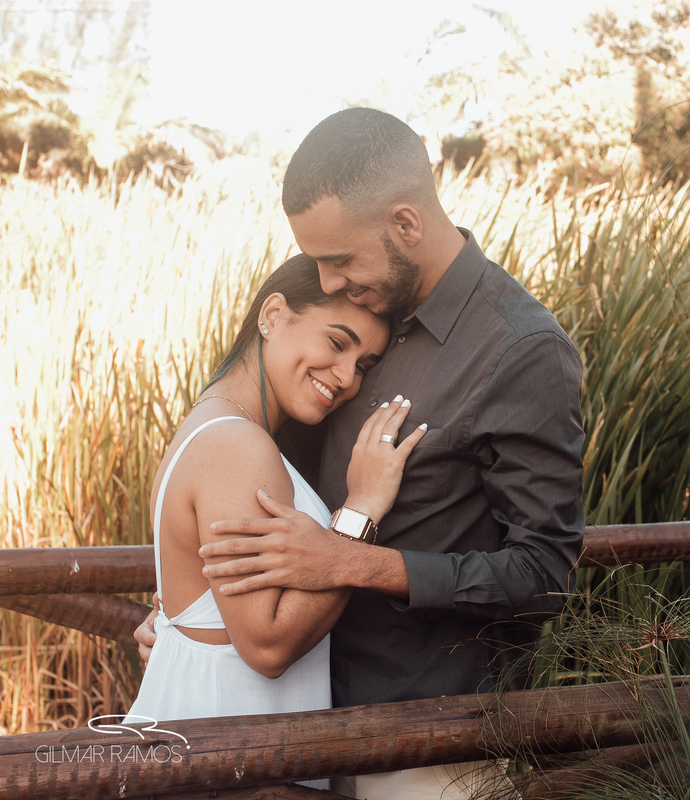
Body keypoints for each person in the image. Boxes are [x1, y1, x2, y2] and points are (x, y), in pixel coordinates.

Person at [136, 108, 586, 799]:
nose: (333, 280)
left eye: (340, 260)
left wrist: (359, 559)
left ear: (405, 225)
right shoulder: (366, 321)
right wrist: (192, 616)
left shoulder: (519, 351)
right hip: (301, 726)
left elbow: (544, 576)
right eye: (317, 265)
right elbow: (266, 486)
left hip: (422, 743)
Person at [124, 254, 426, 789]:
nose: (346, 377)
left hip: (224, 739)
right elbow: (267, 644)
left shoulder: (221, 424)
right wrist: (361, 509)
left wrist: (170, 626)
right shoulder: (237, 445)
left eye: (364, 365)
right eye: (337, 343)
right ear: (273, 315)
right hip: (223, 752)